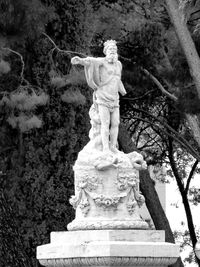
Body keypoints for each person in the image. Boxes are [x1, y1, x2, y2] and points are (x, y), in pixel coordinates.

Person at [71, 40, 126, 153]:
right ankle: (105, 148)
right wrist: (80, 61)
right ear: (105, 51)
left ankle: (113, 147)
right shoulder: (102, 61)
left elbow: (117, 79)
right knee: (105, 123)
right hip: (103, 97)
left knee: (116, 123)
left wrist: (123, 91)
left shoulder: (119, 64)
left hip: (115, 98)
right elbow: (90, 61)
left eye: (114, 50)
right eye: (110, 49)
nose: (113, 51)